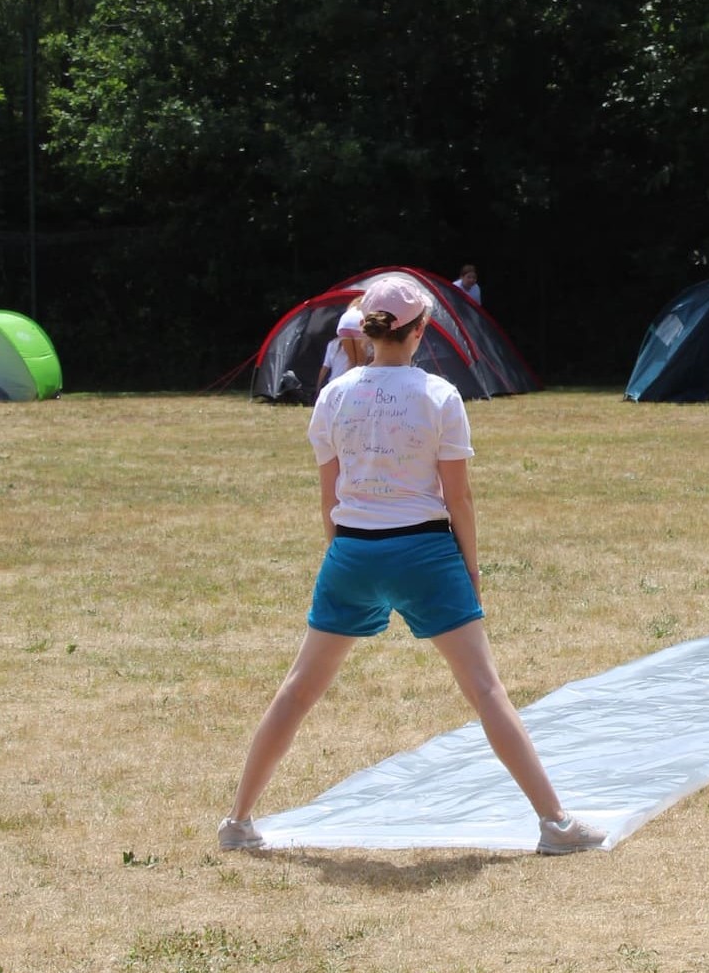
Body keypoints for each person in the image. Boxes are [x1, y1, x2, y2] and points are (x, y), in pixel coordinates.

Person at [220, 274, 605, 856]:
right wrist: (469, 568)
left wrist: (342, 553)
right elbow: (460, 499)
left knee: (298, 691)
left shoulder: (334, 394)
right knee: (486, 690)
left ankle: (238, 821)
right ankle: (555, 824)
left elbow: (330, 496)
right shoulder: (439, 396)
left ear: (369, 330)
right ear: (421, 330)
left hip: (351, 552)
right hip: (425, 552)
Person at [315, 298, 371, 396]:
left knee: (352, 360)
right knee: (361, 362)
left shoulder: (351, 308)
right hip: (357, 324)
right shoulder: (365, 306)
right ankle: (356, 391)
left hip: (343, 324)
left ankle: (344, 390)